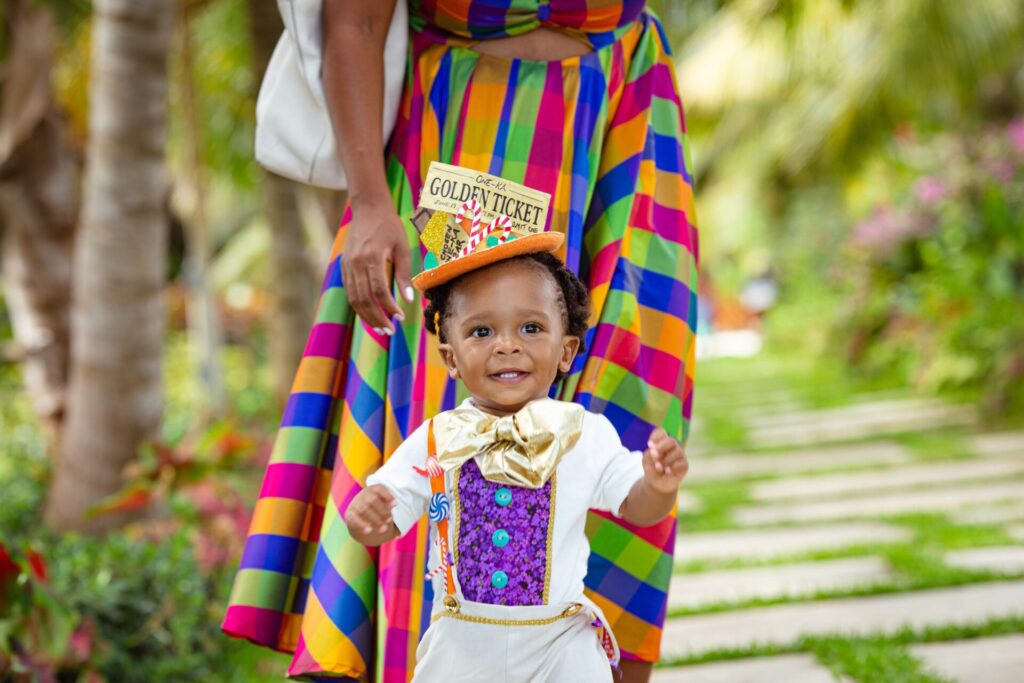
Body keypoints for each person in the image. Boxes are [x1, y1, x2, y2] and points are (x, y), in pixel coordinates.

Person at [222, 2, 699, 682]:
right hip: (476, 122)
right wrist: (368, 204)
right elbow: (352, 22)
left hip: (628, 112)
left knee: (631, 403)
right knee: (465, 420)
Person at [344, 220, 688, 681]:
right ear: (451, 358)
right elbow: (387, 515)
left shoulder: (584, 434)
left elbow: (638, 506)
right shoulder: (435, 439)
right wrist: (368, 516)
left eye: (530, 327)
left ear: (566, 351)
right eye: (482, 332)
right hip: (462, 645)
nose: (507, 345)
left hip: (559, 642)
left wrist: (657, 485)